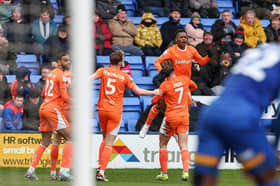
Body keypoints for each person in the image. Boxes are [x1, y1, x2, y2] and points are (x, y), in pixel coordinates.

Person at [193, 44, 280, 186]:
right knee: (267, 176)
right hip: (241, 117)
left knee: (204, 180)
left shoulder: (260, 50)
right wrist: (274, 147)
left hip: (212, 113)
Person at [90, 51, 159, 181]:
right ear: (121, 62)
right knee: (109, 142)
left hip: (102, 110)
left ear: (110, 61)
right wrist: (154, 91)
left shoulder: (103, 71)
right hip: (115, 112)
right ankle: (101, 172)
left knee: (104, 139)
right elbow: (138, 91)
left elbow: (88, 79)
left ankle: (100, 166)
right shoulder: (125, 76)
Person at [25, 52, 72, 181]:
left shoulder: (51, 74)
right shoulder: (61, 75)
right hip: (53, 108)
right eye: (65, 60)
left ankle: (31, 169)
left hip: (44, 106)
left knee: (45, 141)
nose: (68, 62)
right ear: (58, 61)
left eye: (68, 60)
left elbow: (45, 93)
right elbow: (65, 97)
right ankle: (64, 171)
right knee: (72, 137)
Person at [153, 60, 194, 182]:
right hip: (184, 116)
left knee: (163, 144)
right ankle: (186, 172)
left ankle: (164, 173)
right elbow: (194, 86)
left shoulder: (165, 85)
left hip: (171, 117)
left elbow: (155, 99)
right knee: (183, 145)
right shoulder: (184, 79)